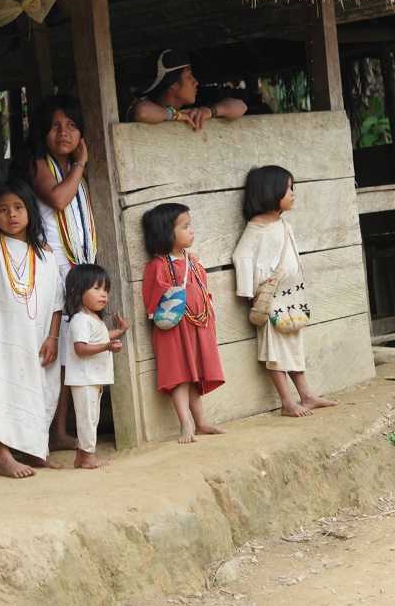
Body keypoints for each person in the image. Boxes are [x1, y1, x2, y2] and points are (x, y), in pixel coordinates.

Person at [0, 179, 65, 478]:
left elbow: (57, 301)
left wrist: (53, 336)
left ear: (30, 212)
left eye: (18, 208)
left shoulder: (45, 255)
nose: (11, 215)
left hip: (37, 338)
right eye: (3, 209)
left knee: (39, 390)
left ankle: (36, 450)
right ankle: (4, 455)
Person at [17, 94, 96, 452]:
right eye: (55, 125)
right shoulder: (39, 165)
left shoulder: (73, 172)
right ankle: (46, 429)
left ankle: (60, 430)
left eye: (72, 125)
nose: (63, 132)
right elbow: (59, 200)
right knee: (53, 354)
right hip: (52, 271)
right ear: (41, 131)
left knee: (69, 354)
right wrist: (80, 165)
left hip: (77, 268)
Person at [232, 165, 339, 417]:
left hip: (291, 299)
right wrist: (250, 294)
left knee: (293, 345)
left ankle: (307, 396)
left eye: (293, 187)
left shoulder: (284, 225)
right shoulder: (256, 229)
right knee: (275, 352)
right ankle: (287, 402)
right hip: (270, 302)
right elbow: (242, 257)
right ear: (270, 191)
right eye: (287, 188)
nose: (293, 193)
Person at [141, 203, 227, 443]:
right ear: (166, 232)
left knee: (194, 374)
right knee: (179, 375)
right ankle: (185, 424)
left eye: (190, 225)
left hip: (197, 328)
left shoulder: (192, 262)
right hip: (173, 331)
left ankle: (201, 422)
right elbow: (153, 302)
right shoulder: (158, 266)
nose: (191, 230)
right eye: (185, 226)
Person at [63, 264, 130, 469]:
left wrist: (119, 331)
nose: (103, 295)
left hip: (93, 378)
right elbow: (81, 348)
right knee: (87, 419)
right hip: (84, 379)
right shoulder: (80, 320)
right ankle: (89, 458)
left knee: (90, 418)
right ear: (77, 291)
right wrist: (107, 347)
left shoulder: (92, 318)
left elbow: (101, 336)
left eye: (106, 290)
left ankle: (81, 458)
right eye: (97, 289)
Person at [129, 49, 247, 131]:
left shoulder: (190, 114)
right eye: (189, 75)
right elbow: (142, 112)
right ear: (173, 84)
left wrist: (210, 111)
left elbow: (241, 106)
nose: (196, 82)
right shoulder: (140, 112)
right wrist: (175, 114)